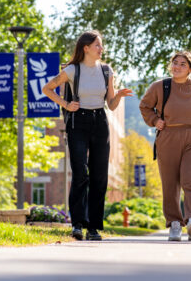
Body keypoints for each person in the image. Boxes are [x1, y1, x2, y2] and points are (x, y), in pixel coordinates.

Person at [42, 30, 133, 241]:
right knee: (81, 173)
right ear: (86, 48)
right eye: (97, 46)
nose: (101, 49)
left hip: (100, 121)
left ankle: (93, 227)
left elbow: (110, 105)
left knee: (99, 176)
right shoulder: (73, 70)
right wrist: (66, 104)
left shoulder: (106, 71)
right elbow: (48, 88)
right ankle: (77, 224)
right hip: (78, 122)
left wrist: (118, 95)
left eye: (101, 46)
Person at [139, 51, 191, 241]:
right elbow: (144, 106)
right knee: (170, 183)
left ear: (190, 68)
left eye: (182, 64)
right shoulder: (160, 86)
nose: (177, 67)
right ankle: (174, 223)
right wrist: (155, 120)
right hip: (168, 136)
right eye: (175, 63)